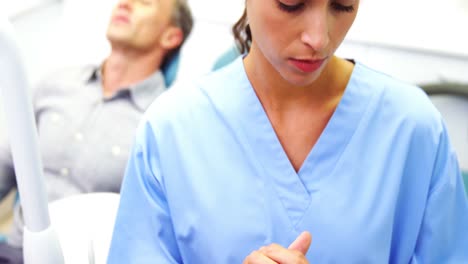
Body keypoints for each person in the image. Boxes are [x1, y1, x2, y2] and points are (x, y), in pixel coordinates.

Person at [108, 0, 468, 263]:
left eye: (342, 6)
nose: (320, 38)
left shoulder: (412, 128)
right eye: (292, 3)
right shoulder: (172, 129)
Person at [0, 0, 193, 262]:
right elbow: (7, 166)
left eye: (144, 2)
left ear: (171, 36)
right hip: (13, 251)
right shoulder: (57, 84)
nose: (125, 4)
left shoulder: (167, 123)